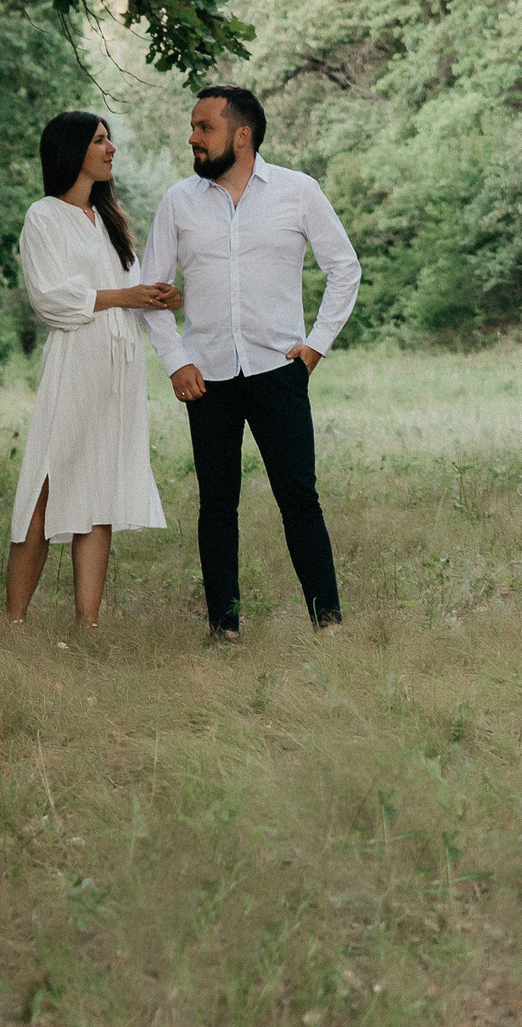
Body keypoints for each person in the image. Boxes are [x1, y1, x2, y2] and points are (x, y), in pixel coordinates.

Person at [141, 85, 361, 639]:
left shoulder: (298, 191)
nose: (193, 137)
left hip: (278, 372)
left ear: (242, 135)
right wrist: (176, 361)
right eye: (193, 126)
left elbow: (344, 267)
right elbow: (151, 291)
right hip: (205, 376)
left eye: (204, 127)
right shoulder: (178, 202)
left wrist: (314, 347)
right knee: (217, 504)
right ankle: (224, 627)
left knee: (299, 498)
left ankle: (328, 623)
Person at [5, 110, 181, 628]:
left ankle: (89, 626)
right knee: (46, 484)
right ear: (72, 149)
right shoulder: (44, 216)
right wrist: (125, 294)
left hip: (118, 367)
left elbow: (128, 292)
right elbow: (50, 298)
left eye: (110, 140)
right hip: (75, 362)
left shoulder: (108, 219)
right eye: (100, 141)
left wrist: (156, 296)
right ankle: (14, 621)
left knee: (98, 488)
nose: (110, 149)